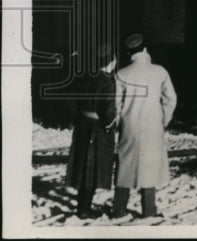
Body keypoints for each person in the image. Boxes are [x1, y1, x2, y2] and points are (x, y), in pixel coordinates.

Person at [111, 34, 178, 219]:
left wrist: (119, 122)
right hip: (152, 126)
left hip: (129, 126)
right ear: (146, 50)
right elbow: (171, 99)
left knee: (125, 166)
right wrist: (163, 119)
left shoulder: (122, 74)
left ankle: (118, 209)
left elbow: (116, 104)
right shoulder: (160, 71)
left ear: (129, 53)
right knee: (149, 165)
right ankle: (149, 210)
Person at [65, 43, 118, 218]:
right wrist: (110, 127)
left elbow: (71, 100)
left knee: (83, 167)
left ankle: (83, 205)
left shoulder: (85, 77)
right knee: (92, 170)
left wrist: (77, 119)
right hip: (97, 130)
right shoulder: (107, 82)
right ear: (110, 62)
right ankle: (84, 209)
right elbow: (109, 111)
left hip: (83, 127)